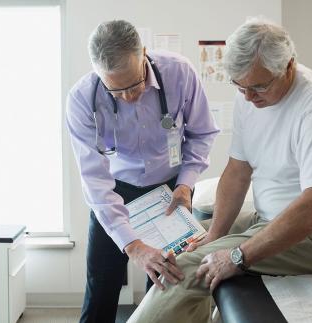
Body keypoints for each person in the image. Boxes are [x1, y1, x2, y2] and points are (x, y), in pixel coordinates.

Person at [128, 17, 312, 323]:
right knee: (189, 245)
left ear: (289, 66)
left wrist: (238, 256)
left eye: (259, 86)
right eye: (240, 85)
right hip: (273, 217)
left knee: (192, 265)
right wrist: (216, 235)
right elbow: (237, 171)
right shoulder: (249, 96)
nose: (248, 96)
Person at [65, 20, 219, 323]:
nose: (129, 97)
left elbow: (202, 133)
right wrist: (133, 247)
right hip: (115, 190)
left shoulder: (180, 73)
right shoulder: (82, 99)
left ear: (144, 54)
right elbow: (94, 179)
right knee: (101, 285)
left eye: (134, 84)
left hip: (173, 187)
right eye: (115, 90)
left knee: (165, 280)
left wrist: (186, 184)